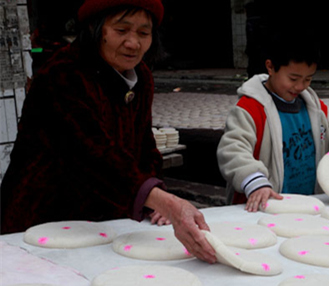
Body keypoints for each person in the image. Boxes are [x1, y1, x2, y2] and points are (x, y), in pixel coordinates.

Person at [0, 0, 216, 263]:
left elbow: (144, 144)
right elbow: (93, 155)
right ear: (96, 28)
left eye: (143, 33)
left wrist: (155, 195)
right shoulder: (63, 74)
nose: (133, 43)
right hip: (42, 217)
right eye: (121, 30)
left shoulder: (142, 77)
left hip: (104, 221)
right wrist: (166, 202)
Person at [217, 35, 329, 212]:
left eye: (308, 79)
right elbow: (233, 150)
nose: (300, 86)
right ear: (270, 67)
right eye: (293, 79)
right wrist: (255, 182)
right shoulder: (250, 109)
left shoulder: (311, 104)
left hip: (307, 202)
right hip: (264, 205)